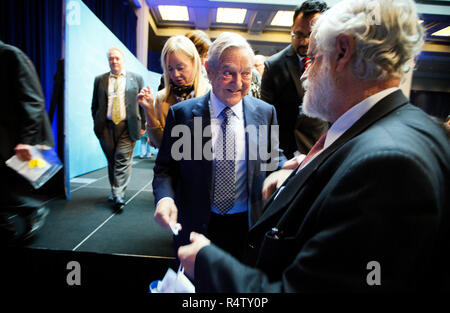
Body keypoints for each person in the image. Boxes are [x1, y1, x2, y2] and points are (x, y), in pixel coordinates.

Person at [178, 0, 450, 292]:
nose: (305, 75)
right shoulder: (392, 130)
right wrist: (296, 182)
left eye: (313, 59)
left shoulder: (389, 166)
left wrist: (207, 262)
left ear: (343, 53)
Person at [152, 32, 286, 261]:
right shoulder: (183, 115)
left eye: (245, 74)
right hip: (197, 226)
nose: (238, 83)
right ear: (209, 70)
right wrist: (165, 198)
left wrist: (285, 169)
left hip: (247, 225)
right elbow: (166, 169)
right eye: (228, 73)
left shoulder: (264, 113)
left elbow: (272, 159)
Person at [0, 41, 53, 244]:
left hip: (14, 141)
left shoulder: (11, 55)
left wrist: (26, 141)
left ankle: (33, 209)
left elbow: (33, 100)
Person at [261, 0, 328, 159]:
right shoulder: (274, 66)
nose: (304, 41)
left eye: (311, 34)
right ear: (292, 29)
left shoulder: (332, 63)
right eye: (298, 34)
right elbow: (266, 119)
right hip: (285, 153)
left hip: (320, 149)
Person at [91, 47, 145, 211]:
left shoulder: (136, 79)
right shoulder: (99, 80)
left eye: (117, 58)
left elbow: (142, 104)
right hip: (106, 127)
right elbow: (94, 105)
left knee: (122, 158)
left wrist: (143, 126)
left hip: (128, 126)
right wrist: (97, 122)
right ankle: (116, 190)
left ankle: (118, 195)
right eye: (111, 59)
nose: (114, 61)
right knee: (112, 160)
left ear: (123, 60)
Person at [137, 35, 210, 148]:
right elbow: (160, 144)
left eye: (180, 68)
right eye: (170, 69)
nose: (175, 75)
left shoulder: (210, 94)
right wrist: (149, 110)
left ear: (194, 63)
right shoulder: (162, 98)